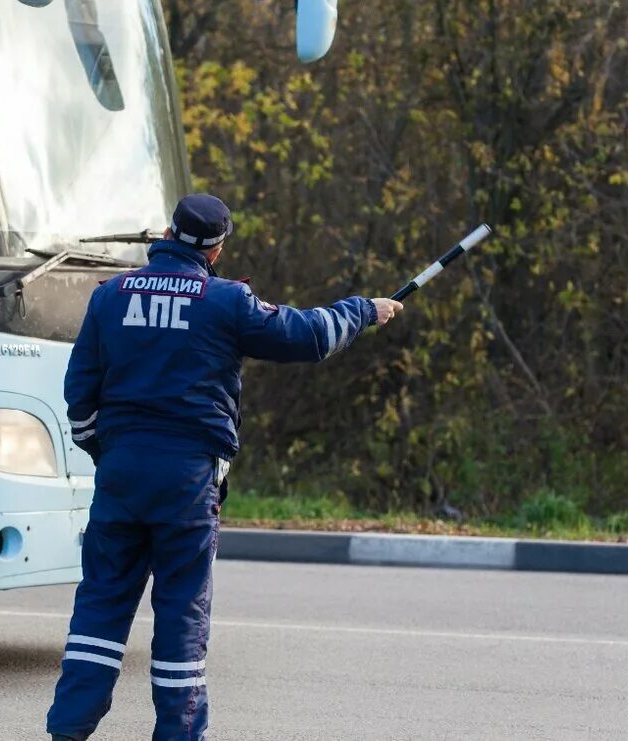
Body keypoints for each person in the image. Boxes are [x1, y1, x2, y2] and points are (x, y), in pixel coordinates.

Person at [45, 194, 403, 741]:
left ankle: (68, 730)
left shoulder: (110, 297)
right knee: (181, 615)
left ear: (166, 232)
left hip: (121, 474)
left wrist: (107, 452)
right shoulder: (227, 301)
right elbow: (306, 336)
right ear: (217, 250)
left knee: (99, 609)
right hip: (187, 481)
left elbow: (79, 393)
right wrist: (363, 309)